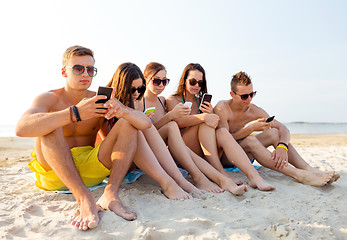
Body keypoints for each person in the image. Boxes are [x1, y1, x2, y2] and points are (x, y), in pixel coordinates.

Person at [15, 46, 154, 231]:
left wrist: (122, 111)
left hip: (90, 169)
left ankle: (110, 193)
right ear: (65, 71)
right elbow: (21, 128)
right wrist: (74, 113)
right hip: (54, 172)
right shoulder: (49, 98)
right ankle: (84, 198)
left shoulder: (100, 100)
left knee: (127, 123)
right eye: (78, 68)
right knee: (50, 123)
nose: (85, 74)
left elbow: (144, 124)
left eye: (90, 70)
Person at [137, 62, 247, 195]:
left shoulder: (162, 100)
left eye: (164, 81)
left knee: (186, 145)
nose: (161, 85)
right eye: (156, 81)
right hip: (149, 150)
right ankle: (207, 177)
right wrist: (170, 116)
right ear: (145, 79)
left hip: (174, 148)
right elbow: (145, 133)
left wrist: (209, 114)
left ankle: (219, 178)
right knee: (172, 127)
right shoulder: (139, 102)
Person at [214, 71, 340, 186]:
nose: (249, 99)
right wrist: (251, 128)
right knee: (250, 140)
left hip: (245, 153)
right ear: (232, 94)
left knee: (274, 133)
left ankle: (309, 170)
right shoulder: (223, 108)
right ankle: (299, 174)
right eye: (244, 96)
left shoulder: (254, 110)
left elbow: (283, 128)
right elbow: (224, 140)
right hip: (225, 157)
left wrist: (282, 146)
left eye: (252, 94)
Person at [166, 63, 275, 191]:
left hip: (203, 151)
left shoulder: (200, 101)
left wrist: (210, 114)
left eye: (200, 83)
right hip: (182, 150)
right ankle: (220, 171)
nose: (196, 86)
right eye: (193, 81)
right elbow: (178, 122)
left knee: (220, 130)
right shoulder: (172, 100)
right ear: (184, 81)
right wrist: (204, 117)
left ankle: (254, 177)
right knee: (206, 122)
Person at [106, 62, 205, 197]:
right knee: (137, 127)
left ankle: (183, 181)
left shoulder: (137, 102)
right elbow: (104, 137)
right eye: (132, 90)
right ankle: (177, 182)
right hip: (117, 156)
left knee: (160, 126)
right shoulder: (111, 104)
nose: (136, 93)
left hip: (139, 153)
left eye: (140, 89)